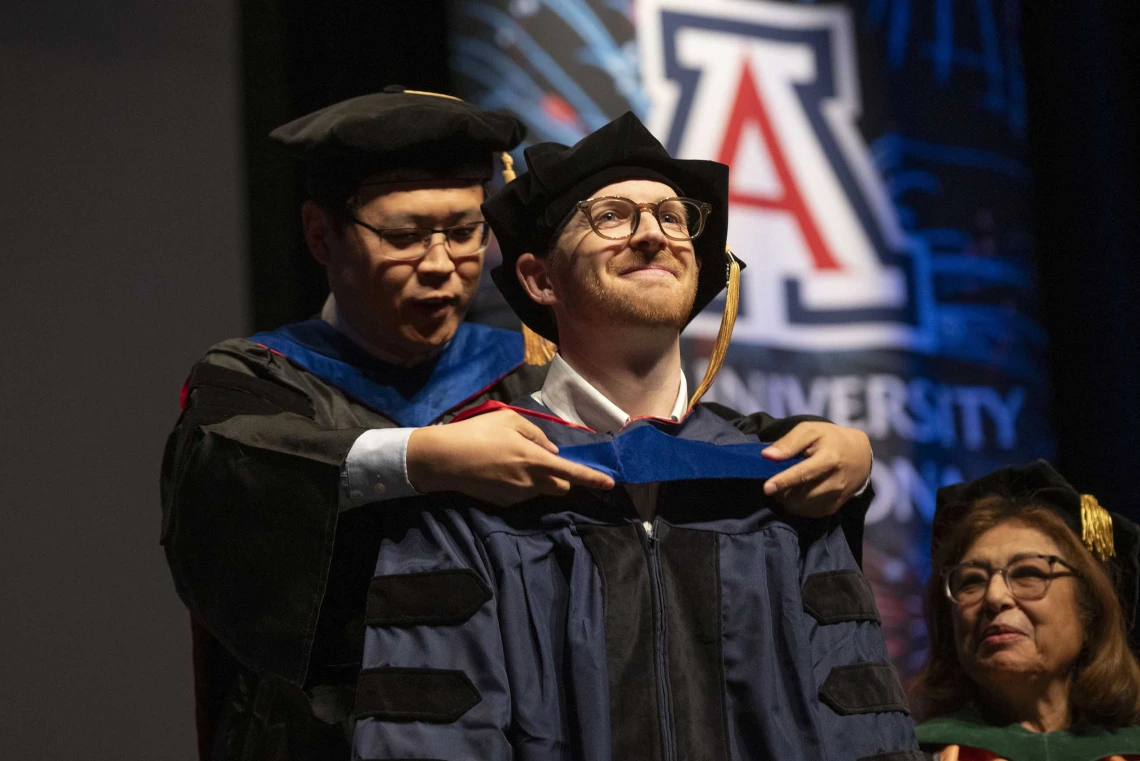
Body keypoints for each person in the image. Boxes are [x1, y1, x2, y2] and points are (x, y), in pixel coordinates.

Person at [161, 91, 876, 760]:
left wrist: (849, 453)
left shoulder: (527, 383)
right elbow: (227, 506)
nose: (442, 265)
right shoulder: (256, 383)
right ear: (321, 236)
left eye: (466, 231)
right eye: (407, 234)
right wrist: (421, 457)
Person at [351, 112, 918, 761]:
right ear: (539, 278)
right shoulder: (472, 476)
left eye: (673, 218)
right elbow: (428, 737)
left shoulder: (777, 478)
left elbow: (862, 728)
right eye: (612, 215)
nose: (653, 233)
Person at [911, 460, 1140, 761]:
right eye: (971, 581)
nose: (994, 597)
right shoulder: (913, 752)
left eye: (1028, 573)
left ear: (1091, 609)